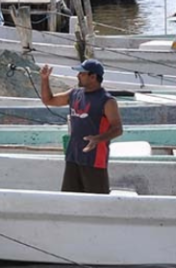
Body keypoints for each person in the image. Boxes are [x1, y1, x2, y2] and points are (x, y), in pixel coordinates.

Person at [40, 59, 123, 194]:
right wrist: (44, 79)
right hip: (73, 156)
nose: (78, 76)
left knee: (96, 201)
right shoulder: (74, 94)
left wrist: (98, 139)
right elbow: (48, 100)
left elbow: (117, 129)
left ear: (93, 77)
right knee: (69, 198)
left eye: (82, 73)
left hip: (94, 159)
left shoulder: (107, 101)